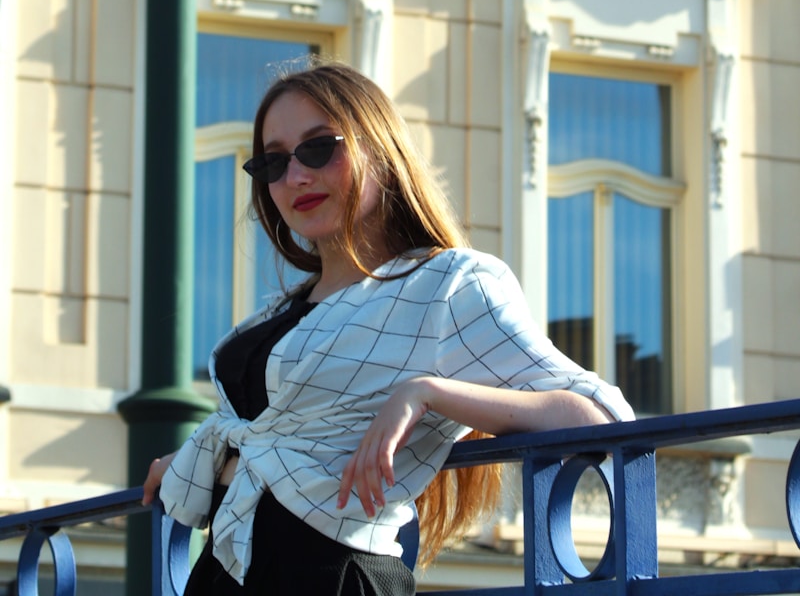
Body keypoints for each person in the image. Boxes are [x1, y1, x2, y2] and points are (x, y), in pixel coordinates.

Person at [142, 61, 634, 594]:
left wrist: (427, 393)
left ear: (380, 147)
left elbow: (603, 418)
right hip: (227, 570)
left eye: (318, 148)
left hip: (329, 575)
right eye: (273, 162)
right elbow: (280, 432)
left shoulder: (447, 284)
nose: (296, 177)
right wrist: (203, 456)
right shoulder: (278, 314)